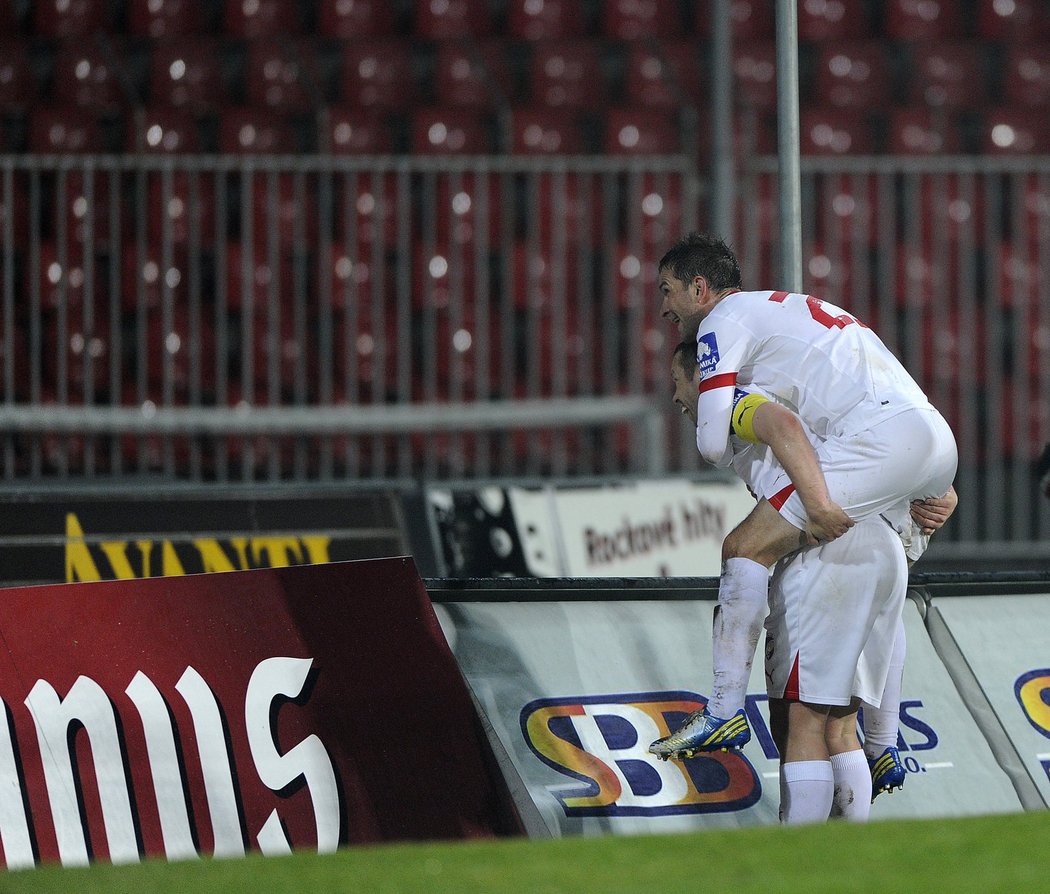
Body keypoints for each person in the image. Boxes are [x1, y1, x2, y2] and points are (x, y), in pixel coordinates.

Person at [651, 234, 959, 762]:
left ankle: (723, 711)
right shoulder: (797, 313)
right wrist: (937, 486)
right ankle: (884, 743)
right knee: (888, 601)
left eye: (668, 291)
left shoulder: (725, 325)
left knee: (745, 548)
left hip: (882, 444)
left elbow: (717, 440)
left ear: (700, 288)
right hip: (929, 438)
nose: (664, 308)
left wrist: (810, 497)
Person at [663, 343, 957, 822]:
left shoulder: (740, 400)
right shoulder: (821, 395)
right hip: (881, 549)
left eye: (679, 380)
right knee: (839, 726)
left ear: (705, 376)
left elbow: (782, 426)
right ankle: (846, 849)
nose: (676, 396)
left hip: (831, 550)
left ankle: (802, 858)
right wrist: (941, 490)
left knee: (800, 722)